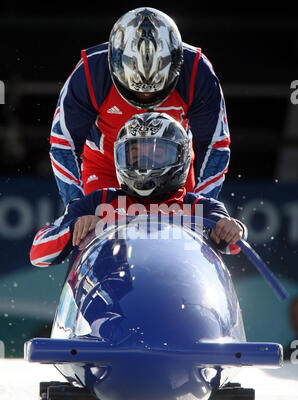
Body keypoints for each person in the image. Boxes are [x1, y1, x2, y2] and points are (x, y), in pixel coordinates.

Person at [49, 7, 230, 207]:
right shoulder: (91, 72)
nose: (146, 96)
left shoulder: (197, 72)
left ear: (176, 65)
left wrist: (205, 206)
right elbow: (64, 143)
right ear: (114, 65)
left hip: (174, 172)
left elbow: (214, 145)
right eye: (137, 90)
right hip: (106, 171)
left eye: (154, 90)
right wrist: (76, 205)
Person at [31, 113, 244, 268]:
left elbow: (234, 245)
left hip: (183, 307)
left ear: (181, 157)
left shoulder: (200, 208)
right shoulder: (99, 201)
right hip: (111, 311)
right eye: (134, 155)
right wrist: (74, 229)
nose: (144, 165)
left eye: (157, 154)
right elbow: (39, 253)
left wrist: (233, 229)